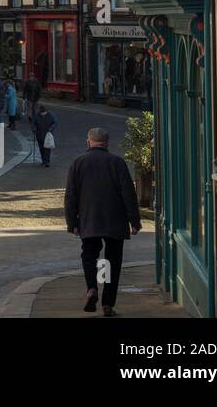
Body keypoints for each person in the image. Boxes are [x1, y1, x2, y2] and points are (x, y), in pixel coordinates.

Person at [64, 127, 142, 317]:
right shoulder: (117, 163)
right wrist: (134, 220)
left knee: (89, 255)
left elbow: (71, 196)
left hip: (89, 219)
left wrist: (71, 222)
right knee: (111, 261)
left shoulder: (78, 163)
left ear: (88, 142)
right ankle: (107, 303)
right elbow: (128, 194)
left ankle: (92, 288)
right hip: (114, 220)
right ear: (107, 143)